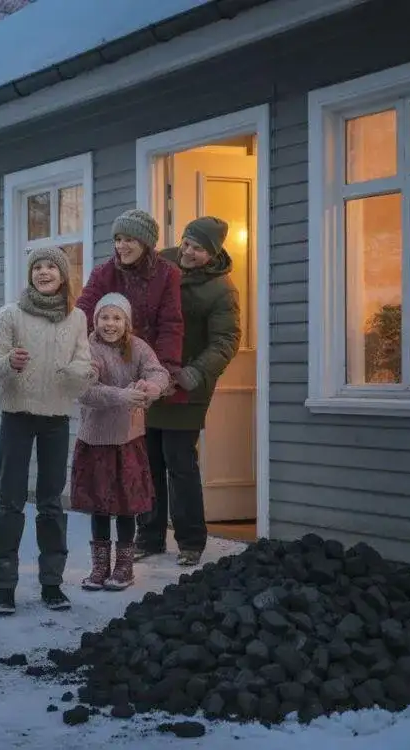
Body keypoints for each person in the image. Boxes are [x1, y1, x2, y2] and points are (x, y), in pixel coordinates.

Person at [0, 246, 94, 616]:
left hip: (56, 419)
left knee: (50, 502)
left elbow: (85, 363)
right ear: (30, 274)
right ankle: (4, 588)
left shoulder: (76, 317)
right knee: (10, 500)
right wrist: (9, 363)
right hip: (16, 416)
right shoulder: (10, 314)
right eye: (37, 267)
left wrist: (80, 372)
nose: (44, 272)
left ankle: (52, 584)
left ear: (63, 276)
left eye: (51, 267)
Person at [136, 216, 241, 566]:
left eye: (198, 248)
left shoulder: (221, 289)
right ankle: (149, 537)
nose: (189, 252)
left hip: (187, 385)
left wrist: (193, 373)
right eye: (186, 243)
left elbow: (226, 340)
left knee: (179, 461)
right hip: (152, 379)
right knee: (148, 459)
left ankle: (191, 541)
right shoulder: (160, 264)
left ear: (213, 253)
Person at [71, 293, 169, 590]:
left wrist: (152, 387)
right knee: (100, 506)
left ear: (126, 322)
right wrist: (121, 395)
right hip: (95, 439)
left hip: (128, 439)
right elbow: (85, 390)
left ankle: (123, 566)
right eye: (104, 317)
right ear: (95, 320)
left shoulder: (138, 348)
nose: (109, 324)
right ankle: (100, 566)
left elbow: (159, 372)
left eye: (116, 318)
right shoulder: (86, 348)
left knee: (126, 506)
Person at [75, 208, 184, 407]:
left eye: (129, 240)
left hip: (149, 366)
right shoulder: (103, 273)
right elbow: (81, 314)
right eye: (118, 239)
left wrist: (162, 375)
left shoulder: (168, 274)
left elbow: (170, 326)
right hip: (110, 366)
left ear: (145, 243)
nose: (121, 246)